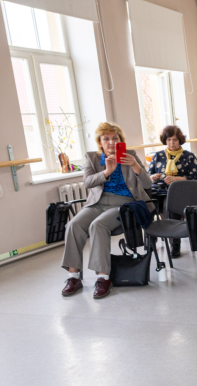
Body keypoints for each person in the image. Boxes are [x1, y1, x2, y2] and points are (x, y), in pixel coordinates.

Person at [61, 122, 153, 299]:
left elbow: (148, 184)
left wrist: (135, 166)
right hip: (98, 203)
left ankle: (103, 278)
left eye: (115, 138)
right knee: (73, 224)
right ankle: (73, 277)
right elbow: (87, 182)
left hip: (124, 204)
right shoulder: (92, 158)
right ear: (100, 142)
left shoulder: (131, 155)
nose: (111, 142)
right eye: (106, 139)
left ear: (120, 140)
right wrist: (106, 172)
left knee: (98, 225)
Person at [148, 125, 197, 258]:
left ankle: (174, 244)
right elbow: (148, 175)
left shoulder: (189, 156)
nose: (171, 143)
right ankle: (151, 236)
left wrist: (177, 179)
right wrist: (153, 177)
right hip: (158, 190)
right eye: (169, 139)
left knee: (169, 206)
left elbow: (196, 178)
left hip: (180, 192)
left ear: (180, 140)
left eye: (175, 140)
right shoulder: (158, 156)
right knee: (145, 204)